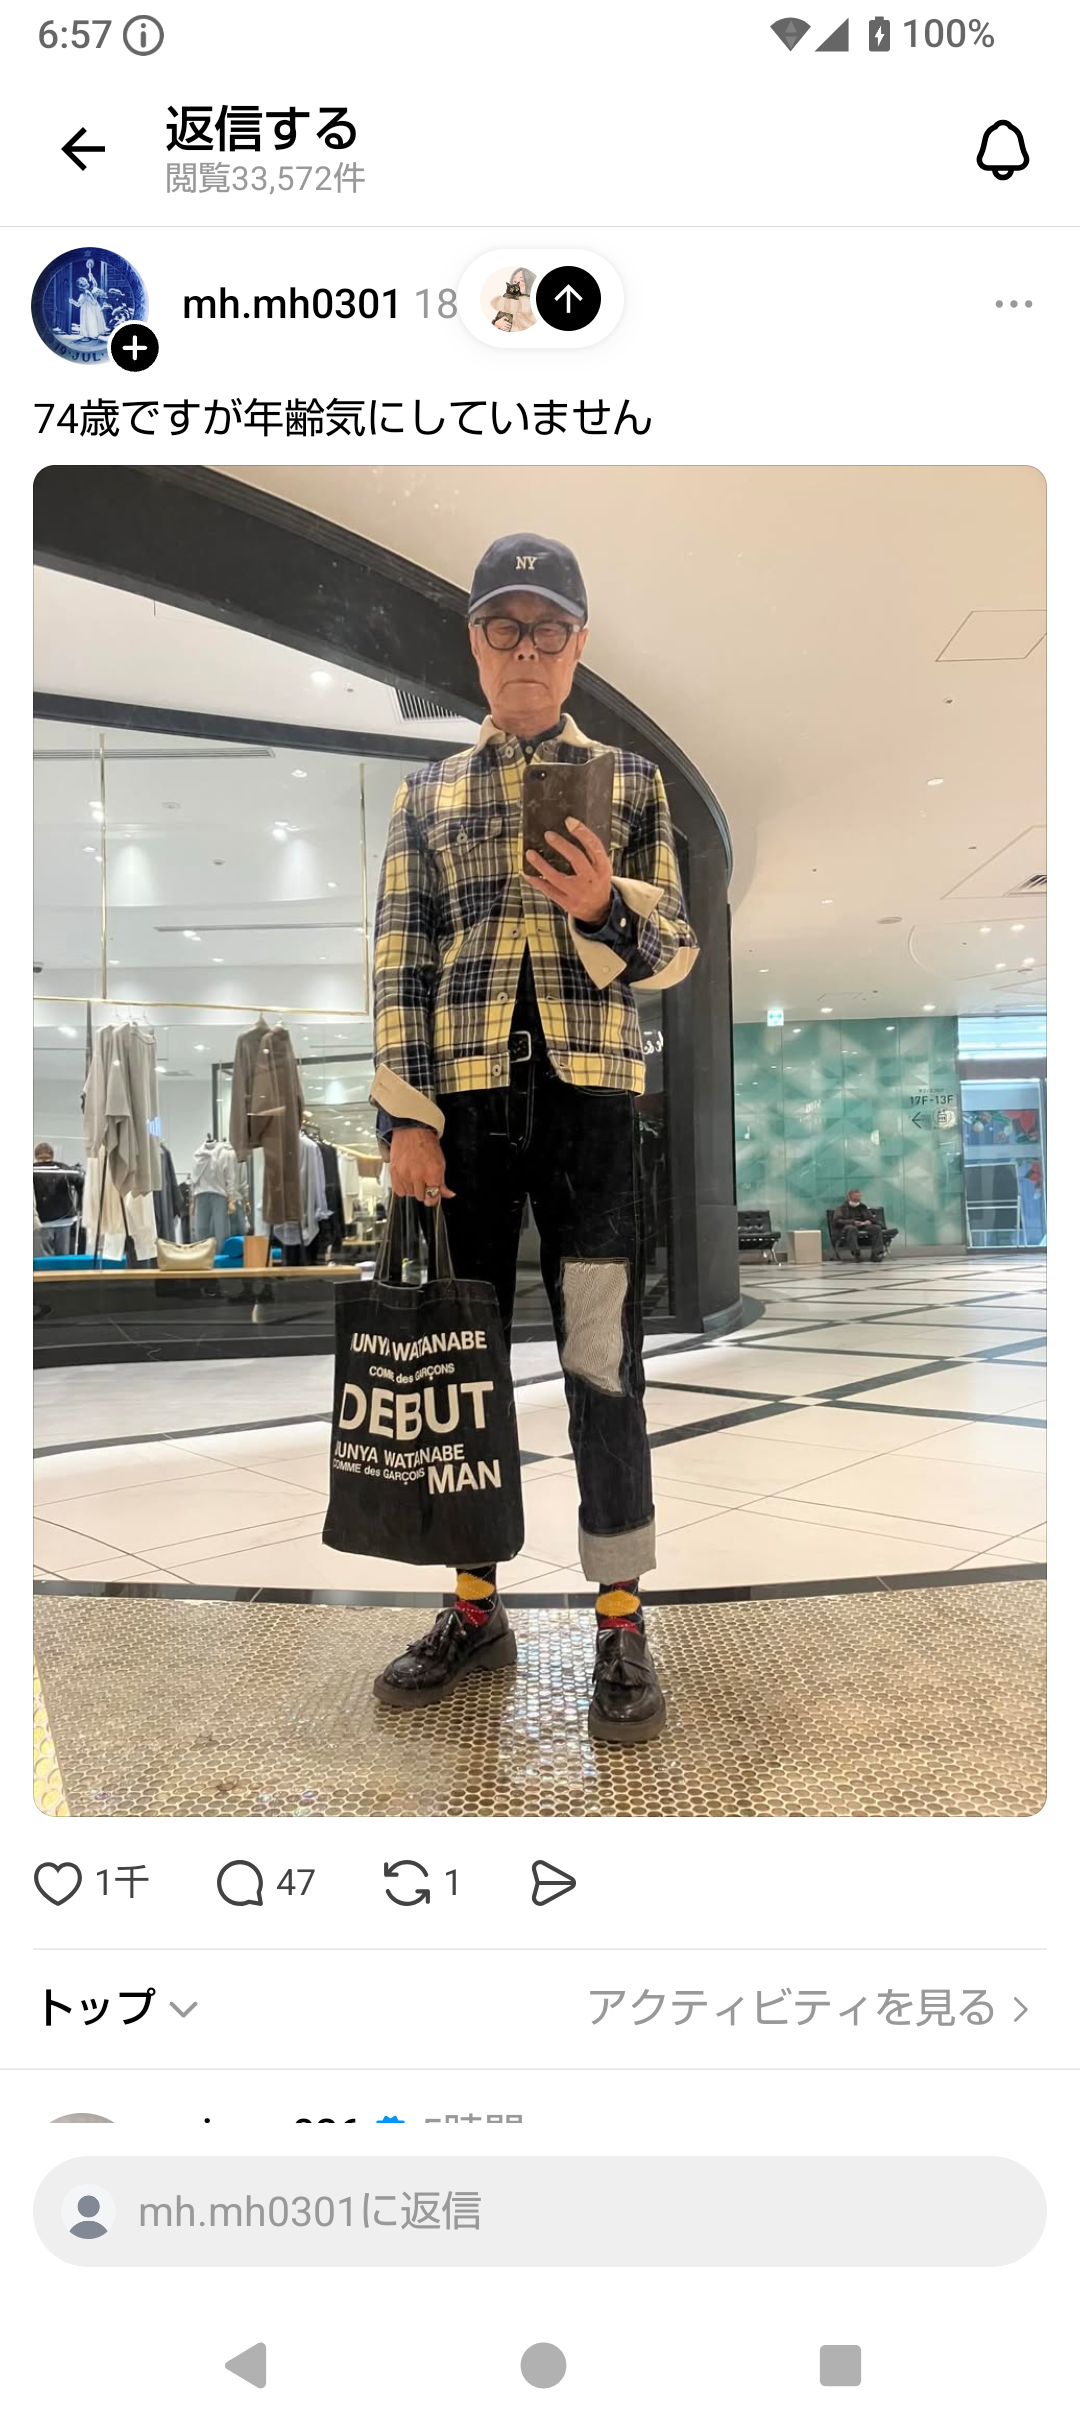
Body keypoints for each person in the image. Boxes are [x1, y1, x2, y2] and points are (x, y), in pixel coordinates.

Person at [369, 531, 699, 1744]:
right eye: (504, 626)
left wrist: (604, 904)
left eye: (548, 627)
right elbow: (398, 958)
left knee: (604, 1359)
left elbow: (675, 952)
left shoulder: (632, 783)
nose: (526, 648)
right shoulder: (426, 794)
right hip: (459, 1116)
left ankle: (619, 1613)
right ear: (475, 642)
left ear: (578, 644)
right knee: (460, 1364)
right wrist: (406, 1119)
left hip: (590, 1109)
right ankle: (473, 1605)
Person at [833, 1187, 886, 1261]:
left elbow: (871, 1218)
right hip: (848, 1226)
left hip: (863, 1225)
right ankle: (856, 1253)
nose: (857, 1199)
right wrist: (853, 1222)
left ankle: (876, 1254)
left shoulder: (863, 1207)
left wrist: (869, 1221)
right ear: (849, 1197)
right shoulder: (841, 1208)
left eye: (858, 1197)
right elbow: (837, 1221)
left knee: (876, 1228)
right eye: (855, 1197)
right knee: (852, 1228)